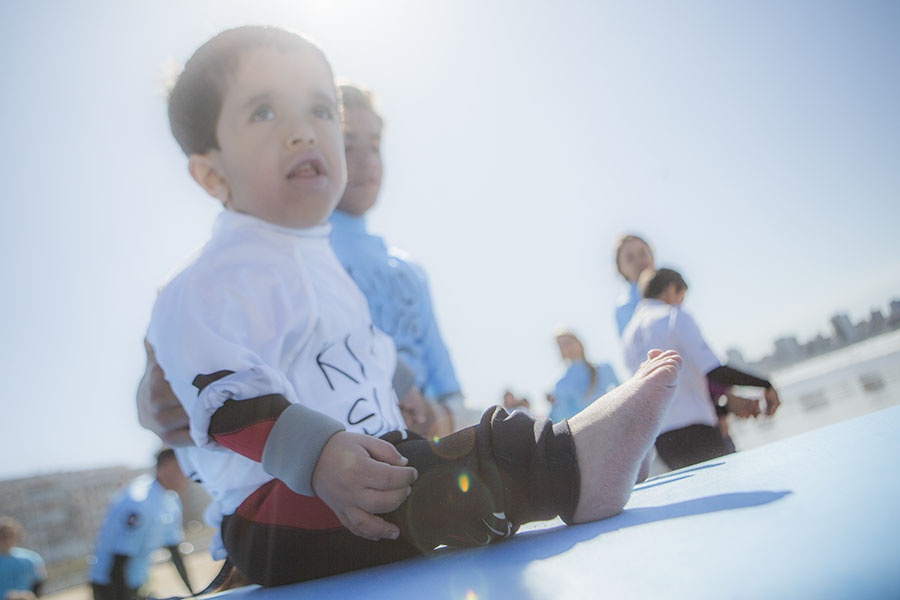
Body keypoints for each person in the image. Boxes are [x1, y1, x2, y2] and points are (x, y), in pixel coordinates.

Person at [146, 25, 683, 586]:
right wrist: (321, 455)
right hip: (280, 505)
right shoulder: (203, 283)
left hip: (371, 463)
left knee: (445, 460)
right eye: (263, 113)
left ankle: (576, 456)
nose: (302, 132)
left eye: (320, 111)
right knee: (433, 483)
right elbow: (228, 401)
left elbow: (364, 344)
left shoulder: (318, 262)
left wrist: (408, 390)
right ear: (211, 173)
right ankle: (571, 467)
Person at [329, 83, 477, 438]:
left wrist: (447, 418)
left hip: (430, 441)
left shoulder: (409, 270)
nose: (366, 161)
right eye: (348, 145)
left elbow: (443, 374)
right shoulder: (310, 256)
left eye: (375, 146)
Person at [622, 268, 781, 470]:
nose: (681, 303)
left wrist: (724, 408)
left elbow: (671, 391)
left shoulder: (628, 337)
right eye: (681, 297)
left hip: (662, 441)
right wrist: (765, 384)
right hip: (699, 431)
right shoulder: (673, 316)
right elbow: (714, 371)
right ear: (672, 290)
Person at [88, 449, 193, 600]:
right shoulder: (139, 502)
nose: (190, 476)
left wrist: (194, 593)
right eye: (187, 469)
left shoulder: (171, 500)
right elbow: (119, 562)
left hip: (137, 580)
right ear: (170, 468)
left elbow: (175, 551)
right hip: (111, 585)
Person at [550, 330, 619, 423]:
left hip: (613, 423)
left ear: (578, 342)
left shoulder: (604, 369)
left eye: (568, 343)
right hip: (588, 432)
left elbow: (622, 393)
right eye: (561, 346)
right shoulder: (561, 385)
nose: (567, 348)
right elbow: (563, 418)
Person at [0, 517, 46, 600]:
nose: (6, 540)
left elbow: (39, 583)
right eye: (2, 536)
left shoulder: (31, 559)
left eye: (9, 535)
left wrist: (29, 596)